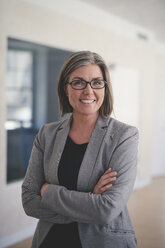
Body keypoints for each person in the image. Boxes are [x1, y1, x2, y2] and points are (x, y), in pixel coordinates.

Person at [22, 51, 139, 248]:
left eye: (96, 82)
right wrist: (90, 200)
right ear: (65, 89)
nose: (88, 91)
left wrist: (49, 192)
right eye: (78, 82)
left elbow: (106, 210)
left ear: (105, 88)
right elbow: (29, 200)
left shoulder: (124, 136)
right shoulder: (47, 134)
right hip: (50, 240)